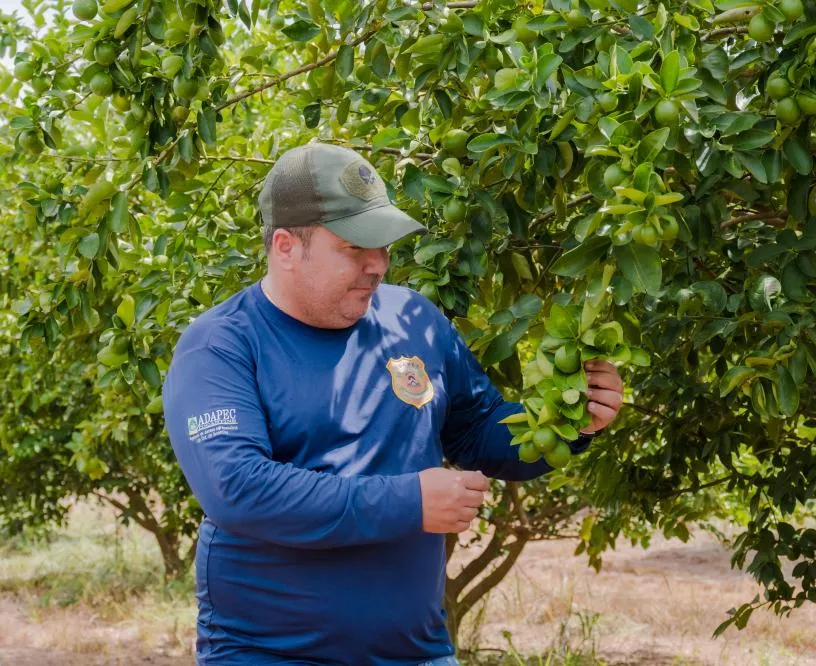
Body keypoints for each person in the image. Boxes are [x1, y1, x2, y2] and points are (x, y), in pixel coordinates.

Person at [162, 142, 625, 666]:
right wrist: (410, 502)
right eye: (354, 249)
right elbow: (238, 489)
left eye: (383, 246)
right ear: (287, 247)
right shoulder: (222, 345)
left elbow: (480, 432)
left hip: (415, 650)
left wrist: (567, 419)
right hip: (269, 653)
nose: (378, 266)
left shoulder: (413, 320)